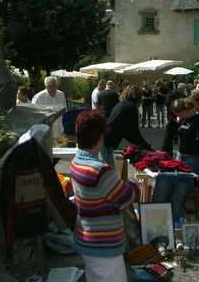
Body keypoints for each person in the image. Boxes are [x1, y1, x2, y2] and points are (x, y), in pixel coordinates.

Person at [70, 111, 139, 282]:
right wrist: (134, 185)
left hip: (86, 237)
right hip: (104, 243)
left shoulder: (76, 162)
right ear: (100, 138)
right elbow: (128, 195)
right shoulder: (100, 171)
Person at [102, 85, 152, 167]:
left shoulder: (122, 104)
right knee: (107, 170)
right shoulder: (131, 108)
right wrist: (147, 146)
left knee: (107, 168)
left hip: (105, 139)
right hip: (108, 141)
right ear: (137, 97)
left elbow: (128, 132)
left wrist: (143, 145)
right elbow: (133, 132)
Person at [161, 98, 199, 175]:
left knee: (194, 181)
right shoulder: (183, 120)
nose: (177, 115)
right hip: (181, 155)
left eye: (177, 113)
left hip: (195, 158)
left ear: (185, 110)